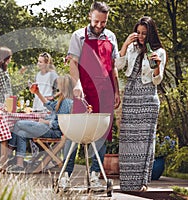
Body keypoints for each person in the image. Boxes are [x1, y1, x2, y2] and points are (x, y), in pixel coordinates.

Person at [64, 1, 121, 186]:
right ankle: (66, 174)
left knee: (101, 133)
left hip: (105, 92)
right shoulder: (78, 36)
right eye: (96, 21)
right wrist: (77, 84)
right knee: (74, 132)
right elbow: (73, 62)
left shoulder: (111, 37)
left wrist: (117, 91)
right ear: (90, 16)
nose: (99, 25)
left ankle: (96, 174)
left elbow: (113, 68)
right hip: (84, 92)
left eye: (103, 22)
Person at [116, 16, 166, 191]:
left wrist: (157, 66)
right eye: (138, 32)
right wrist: (124, 45)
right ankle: (128, 183)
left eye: (144, 33)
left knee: (145, 141)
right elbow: (117, 65)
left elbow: (157, 80)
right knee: (128, 140)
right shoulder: (131, 48)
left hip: (148, 98)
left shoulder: (159, 52)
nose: (141, 36)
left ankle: (143, 182)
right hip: (131, 95)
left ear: (150, 33)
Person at [7, 75, 74, 173]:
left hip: (53, 131)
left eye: (59, 83)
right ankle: (19, 165)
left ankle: (9, 151)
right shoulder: (62, 99)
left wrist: (45, 121)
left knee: (19, 123)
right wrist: (37, 93)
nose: (57, 85)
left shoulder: (66, 102)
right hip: (48, 128)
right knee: (21, 133)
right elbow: (49, 105)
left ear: (63, 86)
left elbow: (60, 123)